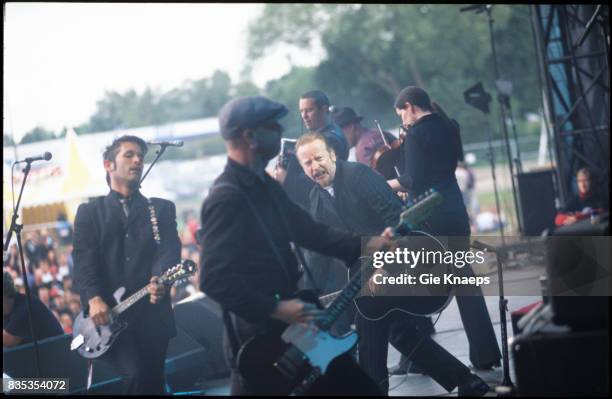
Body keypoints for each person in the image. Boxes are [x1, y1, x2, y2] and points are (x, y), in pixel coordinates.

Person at [198, 95, 391, 395]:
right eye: (272, 126)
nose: (280, 133)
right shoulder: (227, 197)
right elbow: (212, 279)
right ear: (249, 136)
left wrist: (367, 245)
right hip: (261, 340)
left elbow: (311, 232)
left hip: (295, 329)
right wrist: (277, 308)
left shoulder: (265, 187)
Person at [295, 132, 489, 396]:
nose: (314, 166)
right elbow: (319, 257)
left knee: (368, 318)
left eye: (318, 158)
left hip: (410, 261)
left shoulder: (359, 176)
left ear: (332, 155)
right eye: (307, 163)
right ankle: (467, 382)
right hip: (372, 277)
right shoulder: (316, 200)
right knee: (398, 332)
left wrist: (384, 268)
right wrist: (308, 297)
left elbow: (400, 222)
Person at [387, 86, 502, 371]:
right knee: (465, 283)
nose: (402, 120)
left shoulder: (415, 134)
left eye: (401, 113)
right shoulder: (449, 125)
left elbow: (412, 179)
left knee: (408, 283)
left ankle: (416, 355)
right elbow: (438, 170)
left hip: (429, 218)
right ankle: (485, 353)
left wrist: (384, 184)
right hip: (454, 211)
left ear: (410, 107)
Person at [72, 135, 181, 394]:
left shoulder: (161, 209)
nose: (138, 161)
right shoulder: (90, 212)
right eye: (129, 155)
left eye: (140, 156)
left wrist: (160, 278)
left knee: (154, 382)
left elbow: (169, 250)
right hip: (109, 317)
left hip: (152, 316)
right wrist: (94, 298)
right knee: (135, 376)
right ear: (108, 165)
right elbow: (83, 259)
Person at [276, 90, 349, 211]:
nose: (304, 116)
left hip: (330, 208)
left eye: (309, 110)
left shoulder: (330, 140)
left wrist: (286, 179)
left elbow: (319, 180)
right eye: (301, 111)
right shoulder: (325, 135)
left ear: (325, 110)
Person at [3, 271, 63, 348]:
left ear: (5, 293)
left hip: (56, 354)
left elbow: (7, 340)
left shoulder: (25, 306)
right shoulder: (9, 311)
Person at [331, 106, 398, 166]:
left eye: (341, 133)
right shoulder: (376, 132)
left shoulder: (363, 148)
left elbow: (372, 178)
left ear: (351, 127)